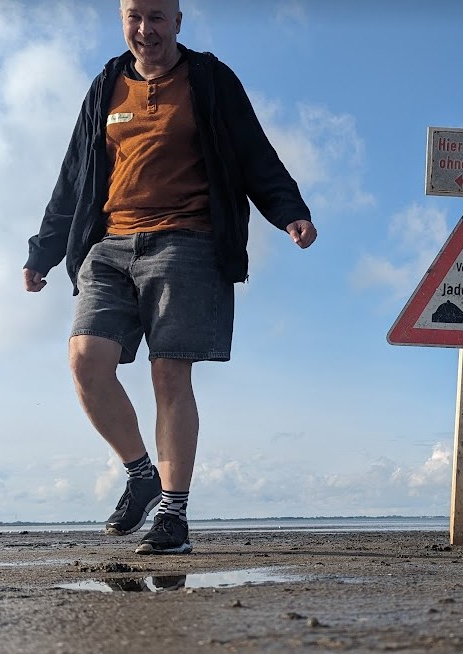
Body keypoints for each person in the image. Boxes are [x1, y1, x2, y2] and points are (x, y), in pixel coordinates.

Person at [23, 0, 316, 555]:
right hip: (108, 246)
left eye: (157, 16)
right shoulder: (107, 83)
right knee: (86, 361)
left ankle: (173, 515)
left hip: (187, 241)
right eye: (134, 16)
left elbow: (254, 152)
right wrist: (43, 251)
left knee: (169, 376)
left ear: (179, 20)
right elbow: (74, 174)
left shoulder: (209, 79)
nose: (145, 28)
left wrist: (288, 210)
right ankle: (141, 474)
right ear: (121, 19)